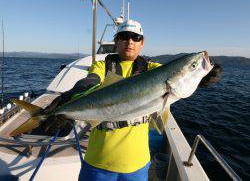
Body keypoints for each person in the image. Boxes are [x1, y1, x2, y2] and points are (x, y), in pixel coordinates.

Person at [43, 19, 222, 181]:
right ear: (117, 41)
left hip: (137, 165)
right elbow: (91, 81)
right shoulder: (102, 65)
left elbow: (179, 78)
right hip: (98, 162)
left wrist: (200, 76)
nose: (130, 41)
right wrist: (68, 98)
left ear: (142, 43)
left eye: (135, 37)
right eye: (124, 36)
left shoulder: (152, 69)